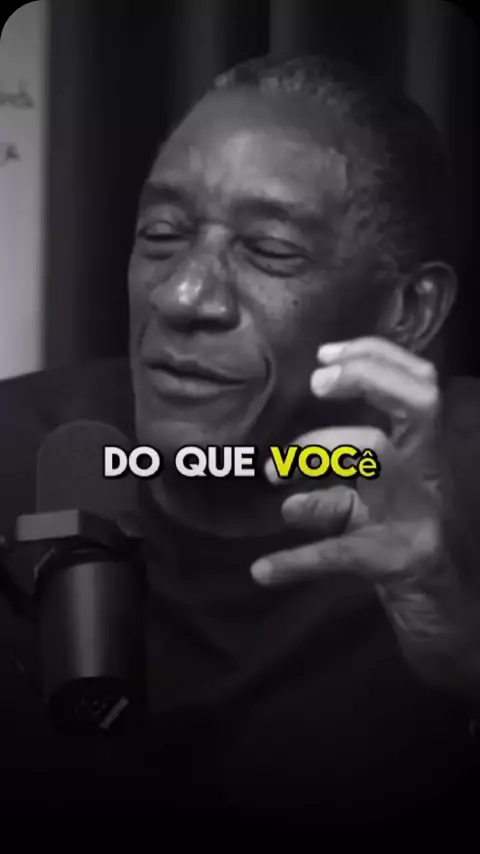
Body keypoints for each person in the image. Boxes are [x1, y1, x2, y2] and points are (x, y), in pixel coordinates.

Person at [0, 53, 479, 830]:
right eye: (162, 234)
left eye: (272, 252)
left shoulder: (467, 470)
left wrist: (461, 650)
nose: (183, 295)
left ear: (409, 311)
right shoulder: (16, 443)